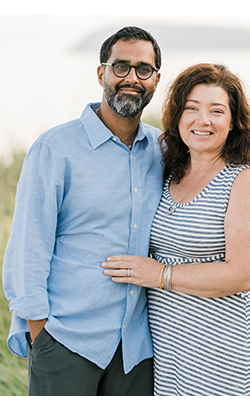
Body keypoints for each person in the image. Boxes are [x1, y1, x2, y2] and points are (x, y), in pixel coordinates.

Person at [3, 26, 163, 396]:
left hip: (136, 349)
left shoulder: (163, 148)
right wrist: (40, 331)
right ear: (101, 73)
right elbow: (28, 247)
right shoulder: (54, 148)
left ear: (155, 79)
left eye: (143, 70)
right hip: (66, 341)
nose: (131, 78)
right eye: (120, 67)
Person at [98, 63, 250, 396]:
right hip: (170, 350)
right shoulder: (169, 172)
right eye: (191, 108)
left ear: (234, 121)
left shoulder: (245, 180)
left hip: (224, 350)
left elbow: (243, 274)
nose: (202, 120)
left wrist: (160, 275)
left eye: (216, 111)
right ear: (177, 116)